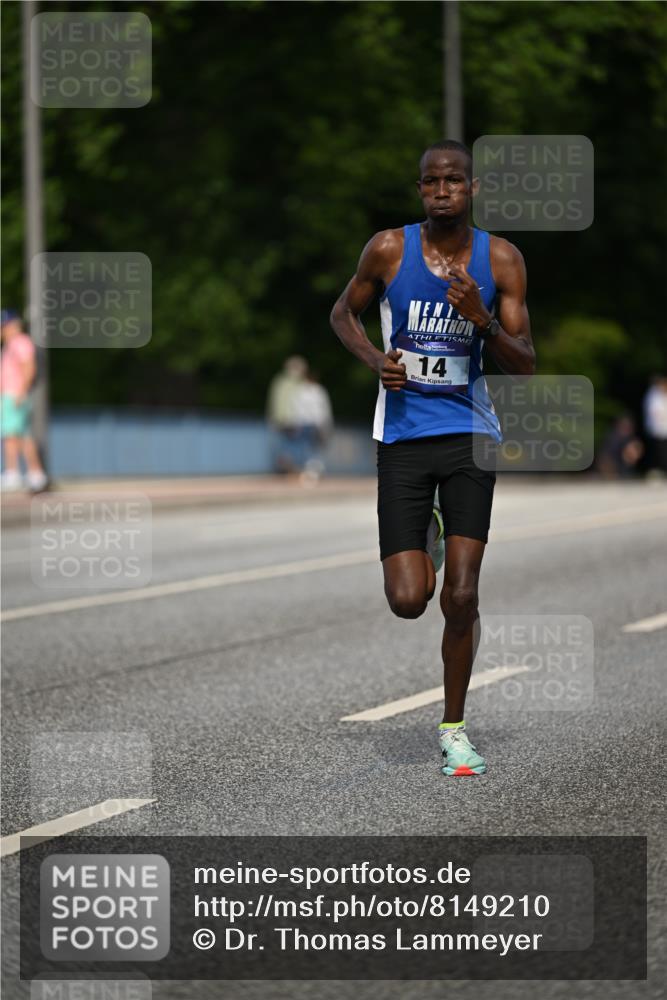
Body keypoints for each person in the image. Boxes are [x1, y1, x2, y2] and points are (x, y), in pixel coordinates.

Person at [330, 140, 535, 777]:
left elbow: (523, 365)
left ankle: (453, 729)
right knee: (409, 600)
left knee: (463, 595)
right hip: (402, 438)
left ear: (472, 189)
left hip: (470, 435)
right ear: (421, 190)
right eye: (430, 182)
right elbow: (343, 312)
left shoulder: (500, 259)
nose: (441, 190)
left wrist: (482, 321)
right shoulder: (388, 249)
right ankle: (432, 537)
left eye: (453, 181)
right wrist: (376, 361)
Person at [1, 309, 48, 493]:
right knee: (21, 436)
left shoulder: (19, 343)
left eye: (3, 327)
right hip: (12, 394)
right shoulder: (11, 345)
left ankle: (13, 473)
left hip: (15, 394)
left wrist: (20, 393)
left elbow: (29, 367)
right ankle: (35, 474)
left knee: (12, 436)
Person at [265, 355, 308, 473]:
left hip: (282, 418)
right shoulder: (300, 383)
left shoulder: (279, 381)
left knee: (286, 444)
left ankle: (289, 467)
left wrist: (272, 416)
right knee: (295, 444)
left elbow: (273, 400)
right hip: (294, 418)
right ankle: (293, 467)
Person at [293, 370, 333, 482]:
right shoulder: (317, 391)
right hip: (311, 423)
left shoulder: (312, 391)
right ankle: (312, 469)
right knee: (311, 447)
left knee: (311, 447)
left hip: (312, 423)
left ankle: (313, 469)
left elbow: (298, 408)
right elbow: (324, 409)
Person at [642, 376, 667, 477]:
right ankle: (658, 469)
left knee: (662, 451)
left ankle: (662, 469)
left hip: (663, 429)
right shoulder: (653, 395)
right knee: (658, 452)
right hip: (656, 429)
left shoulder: (662, 394)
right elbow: (655, 412)